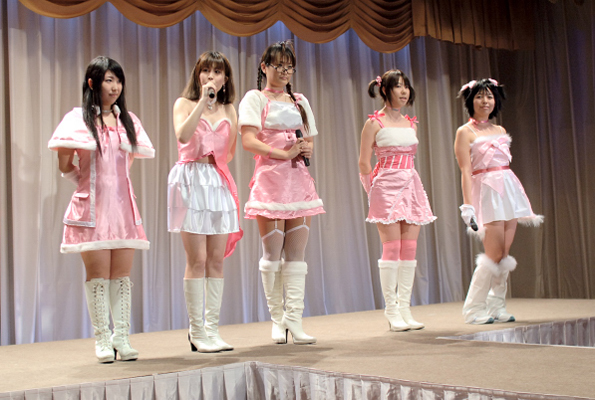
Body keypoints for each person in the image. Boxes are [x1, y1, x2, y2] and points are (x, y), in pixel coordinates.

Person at [48, 56, 155, 363]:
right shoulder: (77, 119)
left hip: (123, 209)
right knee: (97, 277)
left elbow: (127, 163)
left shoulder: (127, 120)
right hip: (91, 209)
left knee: (121, 276)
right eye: (109, 80)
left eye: (118, 80)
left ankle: (122, 337)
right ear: (92, 83)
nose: (115, 87)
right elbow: (64, 164)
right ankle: (102, 339)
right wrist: (86, 183)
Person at [238, 41, 323, 345]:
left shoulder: (299, 100)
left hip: (299, 180)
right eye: (279, 66)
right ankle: (277, 320)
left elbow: (309, 138)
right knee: (273, 254)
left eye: (289, 67)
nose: (285, 72)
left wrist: (305, 149)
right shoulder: (255, 98)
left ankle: (294, 320)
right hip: (271, 180)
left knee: (297, 255)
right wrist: (283, 153)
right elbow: (248, 140)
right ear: (264, 67)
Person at [168, 51, 243, 353]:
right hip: (190, 180)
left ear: (226, 78)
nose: (211, 76)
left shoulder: (230, 109)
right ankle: (196, 331)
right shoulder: (184, 104)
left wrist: (216, 165)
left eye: (217, 72)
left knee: (215, 259)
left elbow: (230, 151)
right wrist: (202, 102)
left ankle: (212, 329)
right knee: (197, 259)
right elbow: (183, 136)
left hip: (217, 181)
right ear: (197, 74)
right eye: (206, 71)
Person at [454, 78, 543, 324]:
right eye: (480, 96)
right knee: (492, 253)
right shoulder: (465, 132)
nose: (485, 101)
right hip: (486, 191)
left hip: (507, 189)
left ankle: (496, 306)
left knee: (503, 253)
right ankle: (473, 309)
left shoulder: (501, 130)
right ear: (470, 100)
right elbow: (465, 171)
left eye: (490, 96)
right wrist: (467, 206)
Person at [358, 70, 435, 332]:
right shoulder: (374, 123)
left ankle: (405, 309)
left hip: (410, 185)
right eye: (398, 86)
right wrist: (372, 192)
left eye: (406, 86)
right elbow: (363, 163)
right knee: (391, 249)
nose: (404, 91)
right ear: (385, 90)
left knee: (409, 249)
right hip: (386, 187)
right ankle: (391, 310)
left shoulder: (411, 124)